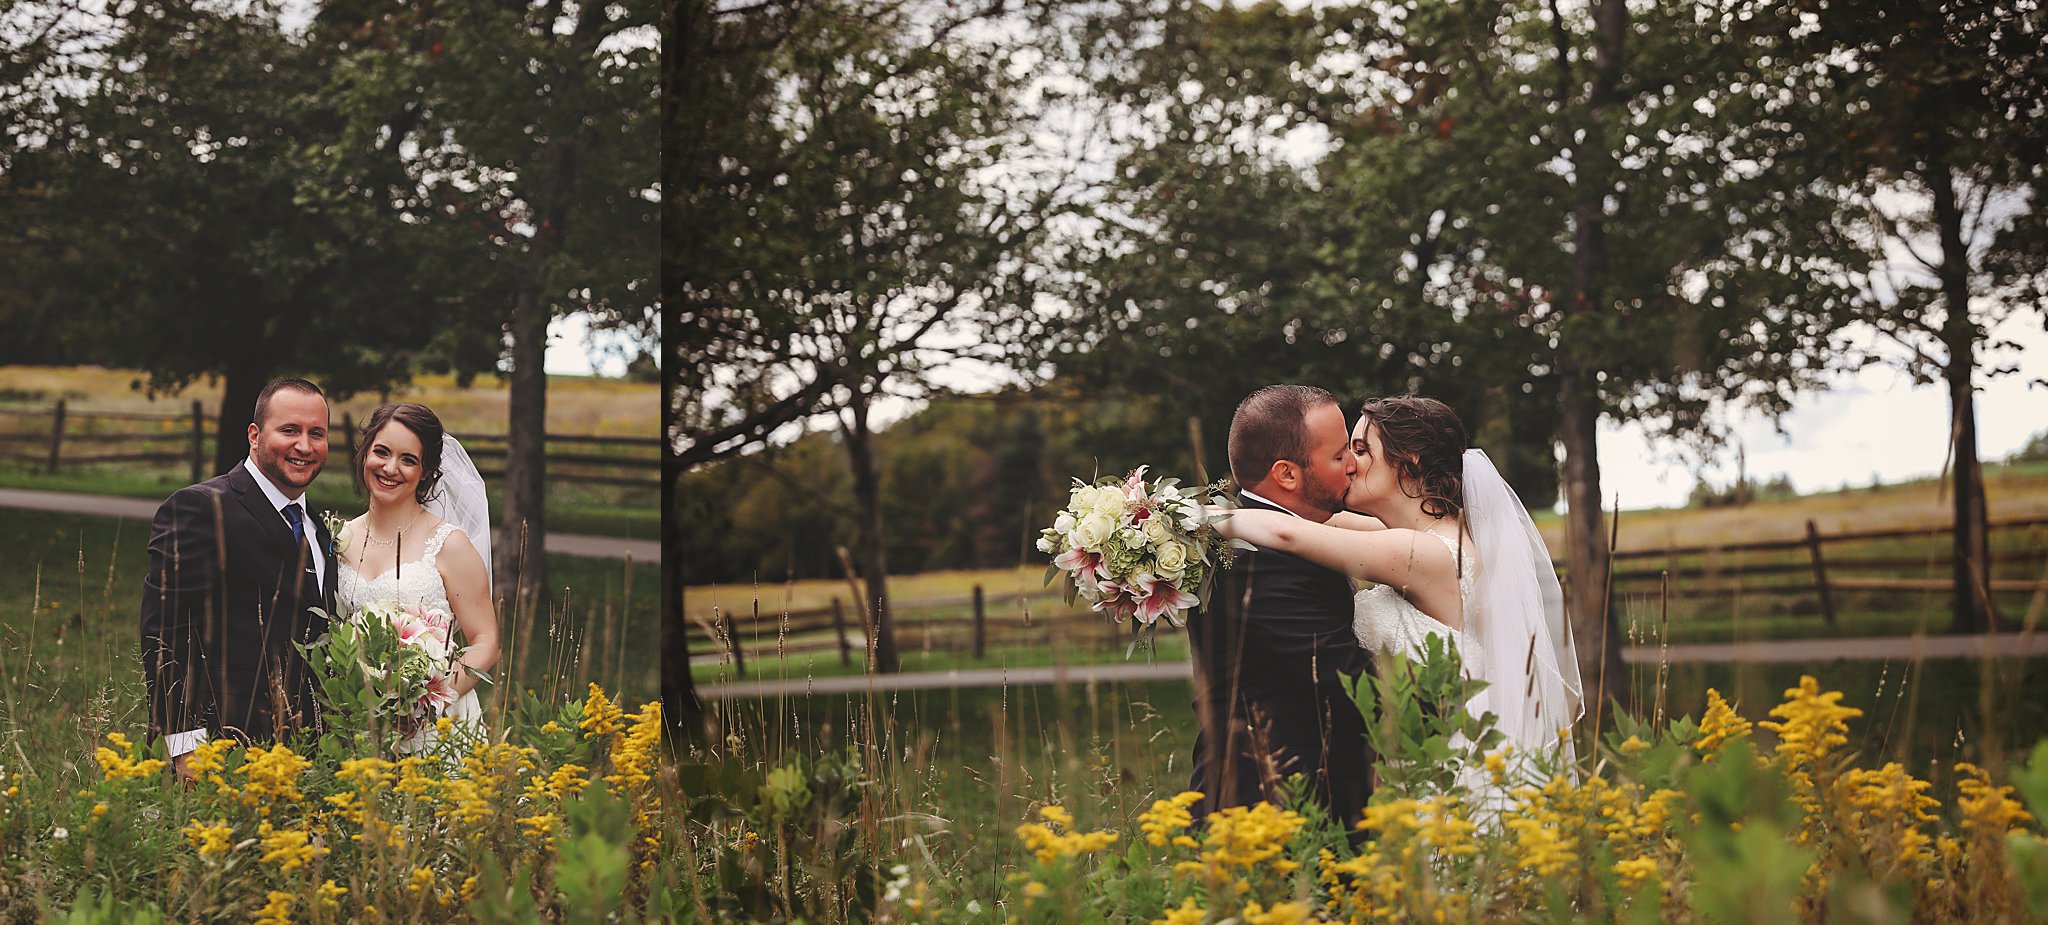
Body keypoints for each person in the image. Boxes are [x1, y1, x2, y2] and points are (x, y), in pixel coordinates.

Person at [1211, 395, 1583, 792]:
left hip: (1450, 773)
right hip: (1419, 765)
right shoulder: (1419, 537)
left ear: (1410, 461)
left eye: (1360, 449)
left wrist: (1186, 516)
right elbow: (1314, 518)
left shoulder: (1427, 554)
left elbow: (1287, 530)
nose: (1350, 463)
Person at [1187, 384, 1372, 831]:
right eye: (1339, 453)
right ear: (1287, 475)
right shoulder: (1252, 561)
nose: (1354, 463)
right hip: (1269, 811)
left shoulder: (1282, 536)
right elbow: (1347, 682)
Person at [143, 377, 337, 783]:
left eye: (316, 433)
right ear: (254, 435)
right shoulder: (200, 507)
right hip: (227, 748)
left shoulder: (318, 527)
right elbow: (166, 630)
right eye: (290, 430)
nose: (304, 445)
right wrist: (186, 745)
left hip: (313, 751)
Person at [333, 402, 501, 754]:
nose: (390, 468)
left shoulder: (449, 544)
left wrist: (425, 701)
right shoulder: (340, 539)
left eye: (408, 459)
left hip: (434, 727)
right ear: (364, 455)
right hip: (357, 723)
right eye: (381, 452)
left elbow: (485, 640)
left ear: (426, 472)